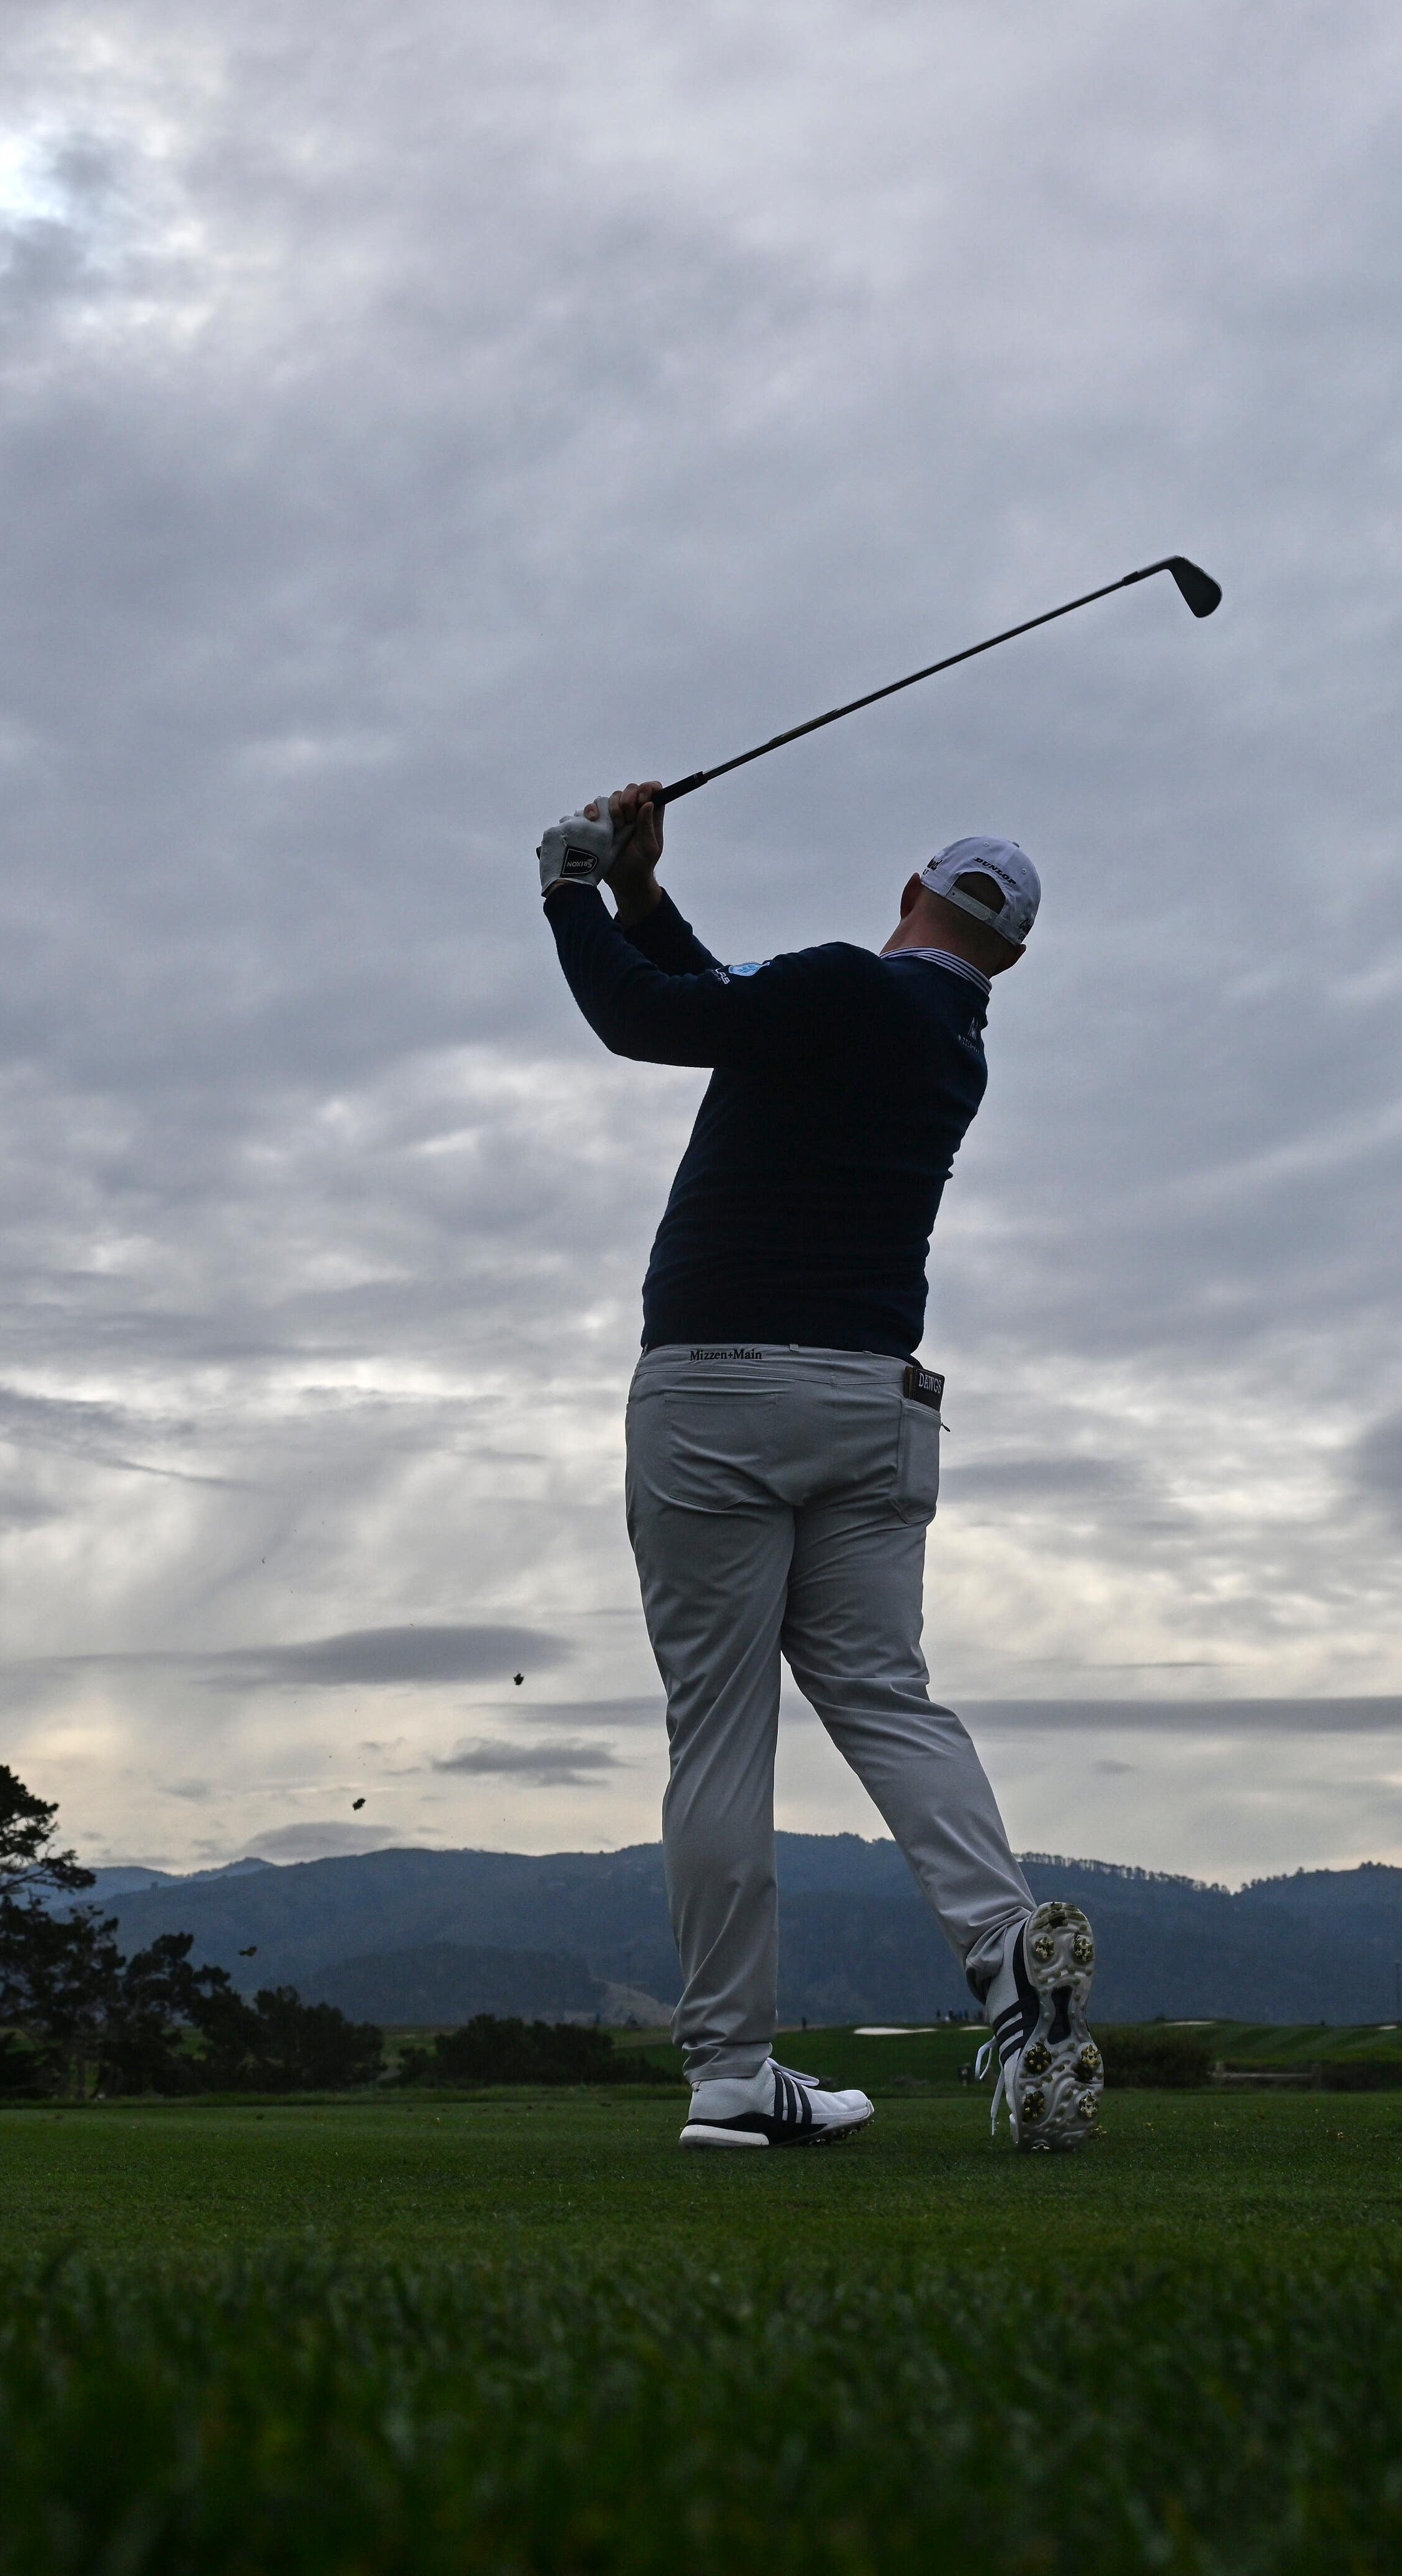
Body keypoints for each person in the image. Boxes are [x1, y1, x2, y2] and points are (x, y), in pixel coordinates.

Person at [537, 783, 1101, 2151]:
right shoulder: (946, 1040)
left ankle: (732, 2073)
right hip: (871, 1402)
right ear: (1009, 956)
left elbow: (651, 1018)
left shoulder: (847, 984)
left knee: (720, 1732)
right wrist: (644, 897)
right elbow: (727, 997)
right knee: (885, 1696)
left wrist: (567, 885)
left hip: (719, 1390)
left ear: (911, 889)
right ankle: (1005, 1946)